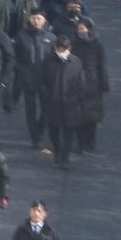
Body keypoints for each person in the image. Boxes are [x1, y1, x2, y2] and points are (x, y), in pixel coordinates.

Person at [38, 36, 86, 169]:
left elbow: (81, 83)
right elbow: (42, 81)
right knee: (53, 130)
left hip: (70, 105)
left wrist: (77, 99)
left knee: (69, 133)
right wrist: (46, 96)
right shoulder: (48, 61)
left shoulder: (76, 62)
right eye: (58, 49)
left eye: (63, 49)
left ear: (69, 48)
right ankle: (57, 151)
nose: (61, 51)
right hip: (53, 104)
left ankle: (64, 158)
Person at [13, 9, 56, 150]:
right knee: (30, 110)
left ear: (44, 20)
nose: (36, 21)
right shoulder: (22, 36)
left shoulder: (51, 38)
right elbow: (15, 57)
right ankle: (35, 137)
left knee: (46, 109)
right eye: (34, 18)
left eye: (39, 18)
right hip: (28, 79)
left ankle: (40, 129)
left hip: (45, 80)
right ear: (30, 19)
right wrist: (21, 71)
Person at [73, 17, 108, 153]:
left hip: (93, 84)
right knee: (79, 116)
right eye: (78, 29)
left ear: (89, 29)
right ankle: (81, 144)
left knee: (92, 118)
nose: (80, 31)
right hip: (77, 82)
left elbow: (101, 65)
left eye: (82, 28)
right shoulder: (74, 44)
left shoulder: (97, 45)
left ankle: (90, 143)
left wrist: (103, 85)